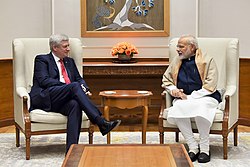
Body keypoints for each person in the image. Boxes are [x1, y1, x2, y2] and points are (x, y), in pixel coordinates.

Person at [29, 34, 121, 153]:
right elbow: (44, 81)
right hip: (45, 97)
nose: (68, 49)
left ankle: (71, 149)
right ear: (54, 48)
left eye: (68, 46)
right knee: (74, 87)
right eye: (65, 46)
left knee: (75, 105)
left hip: (62, 99)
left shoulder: (69, 61)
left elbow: (79, 79)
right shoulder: (42, 59)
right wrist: (69, 87)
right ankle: (100, 121)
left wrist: (84, 88)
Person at [162, 35, 221, 163]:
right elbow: (166, 79)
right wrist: (174, 90)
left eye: (181, 46)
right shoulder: (177, 61)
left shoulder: (207, 60)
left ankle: (205, 148)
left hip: (206, 96)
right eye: (177, 46)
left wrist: (191, 97)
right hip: (183, 98)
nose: (177, 49)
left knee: (200, 109)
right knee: (178, 107)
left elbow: (211, 85)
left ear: (192, 47)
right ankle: (193, 147)